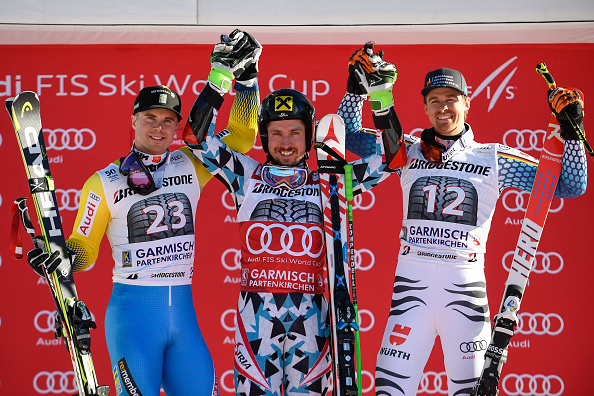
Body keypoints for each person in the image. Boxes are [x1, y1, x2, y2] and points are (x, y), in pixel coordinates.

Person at [339, 45, 588, 396]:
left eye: (452, 98)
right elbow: (346, 135)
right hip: (411, 291)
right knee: (389, 391)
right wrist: (356, 87)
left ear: (467, 102)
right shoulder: (406, 149)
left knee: (472, 391)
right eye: (435, 99)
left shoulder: (494, 158)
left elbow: (570, 185)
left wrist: (573, 129)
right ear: (424, 106)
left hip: (465, 293)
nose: (444, 107)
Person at [26, 30, 262, 396]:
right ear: (133, 121)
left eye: (169, 120)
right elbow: (84, 251)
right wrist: (62, 257)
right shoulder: (103, 182)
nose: (159, 126)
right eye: (150, 117)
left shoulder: (192, 164)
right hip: (133, 317)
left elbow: (242, 137)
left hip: (183, 316)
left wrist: (247, 80)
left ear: (177, 127)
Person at [184, 75, 401, 394]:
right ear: (264, 137)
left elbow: (394, 157)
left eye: (295, 133)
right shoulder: (245, 175)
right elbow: (196, 137)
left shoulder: (332, 183)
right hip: (256, 321)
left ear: (310, 136)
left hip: (313, 322)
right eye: (277, 133)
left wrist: (372, 94)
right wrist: (220, 78)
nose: (286, 142)